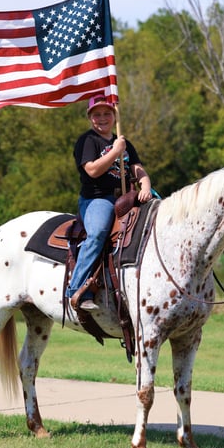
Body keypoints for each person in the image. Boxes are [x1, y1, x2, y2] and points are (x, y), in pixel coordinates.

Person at [66, 94, 153, 311]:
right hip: (97, 198)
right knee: (97, 233)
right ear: (90, 118)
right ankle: (77, 288)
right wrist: (115, 151)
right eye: (97, 114)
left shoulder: (124, 142)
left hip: (125, 196)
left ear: (114, 116)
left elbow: (136, 168)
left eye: (107, 113)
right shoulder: (88, 141)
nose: (102, 118)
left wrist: (145, 185)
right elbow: (92, 170)